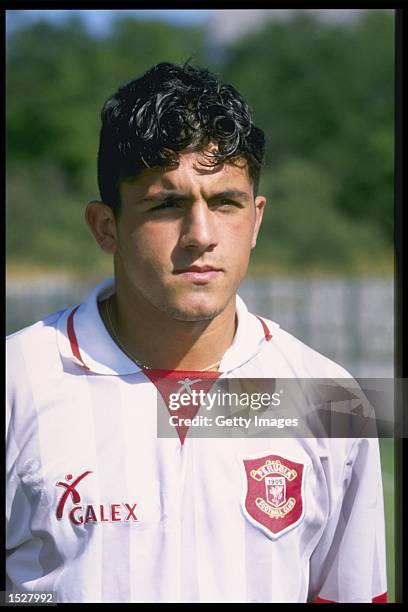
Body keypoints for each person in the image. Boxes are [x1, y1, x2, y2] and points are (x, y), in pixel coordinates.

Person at [6, 61, 387, 603]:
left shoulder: (332, 398)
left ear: (255, 220)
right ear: (105, 226)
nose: (201, 235)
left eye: (225, 202)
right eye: (168, 204)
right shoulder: (17, 383)